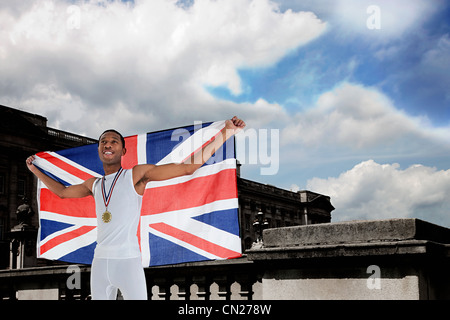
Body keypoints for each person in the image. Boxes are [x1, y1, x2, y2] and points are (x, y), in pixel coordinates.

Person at [26, 116, 245, 300]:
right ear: (99, 150)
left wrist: (226, 133)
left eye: (113, 141)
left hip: (128, 262)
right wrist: (35, 170)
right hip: (100, 262)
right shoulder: (93, 184)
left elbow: (187, 169)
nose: (108, 144)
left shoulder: (136, 175)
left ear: (123, 151)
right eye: (103, 141)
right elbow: (63, 192)